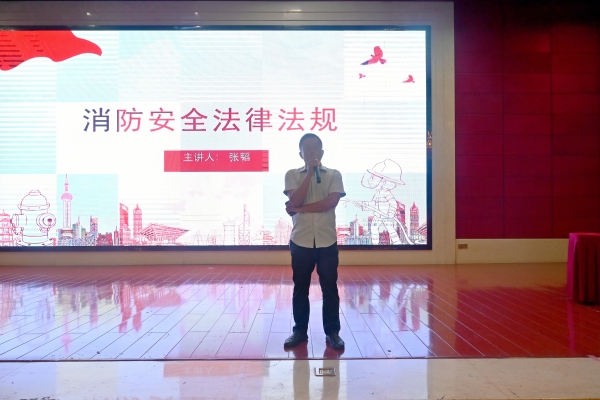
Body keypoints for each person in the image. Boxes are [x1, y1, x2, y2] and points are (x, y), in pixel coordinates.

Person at [283, 133, 346, 350]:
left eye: (315, 147)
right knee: (300, 288)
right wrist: (309, 173)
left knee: (330, 289)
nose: (312, 151)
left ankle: (333, 333)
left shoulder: (334, 174)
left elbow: (330, 203)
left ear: (322, 152)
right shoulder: (292, 174)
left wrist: (299, 209)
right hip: (301, 241)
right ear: (300, 153)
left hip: (327, 241)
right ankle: (299, 332)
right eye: (307, 148)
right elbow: (295, 199)